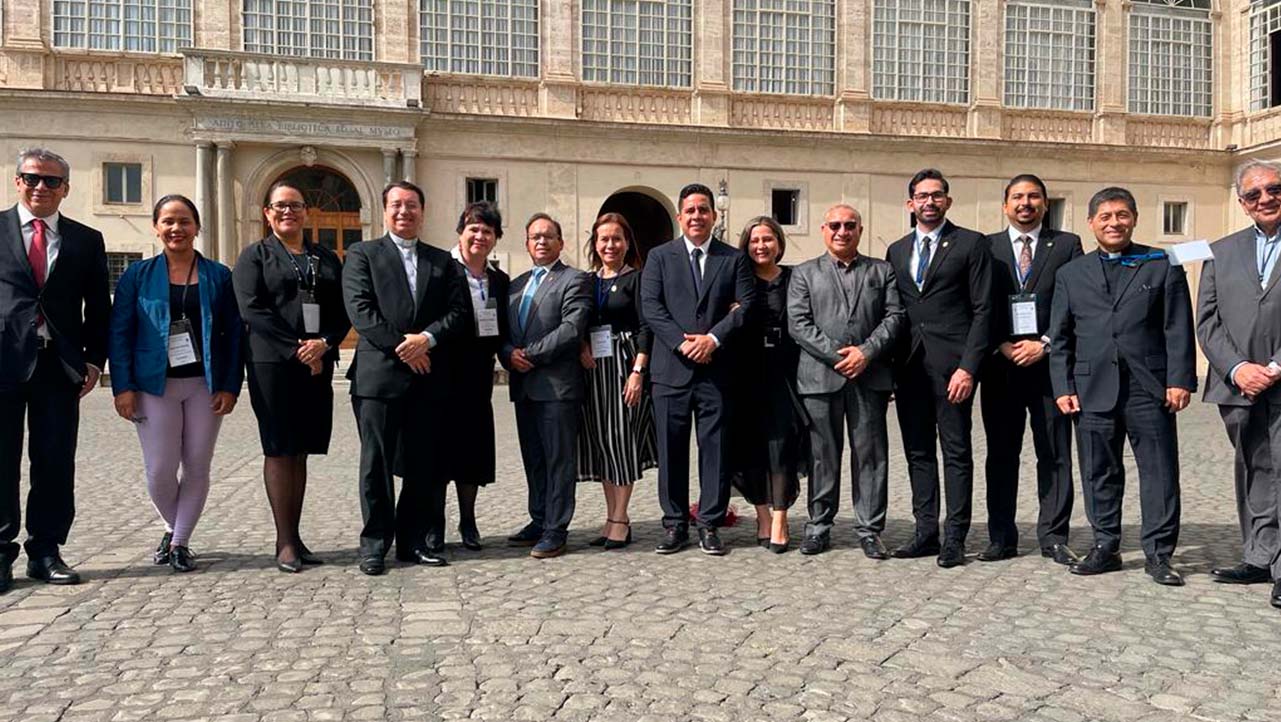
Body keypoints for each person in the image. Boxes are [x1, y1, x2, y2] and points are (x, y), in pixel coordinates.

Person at [1049, 186, 1195, 586]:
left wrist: (1179, 379)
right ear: (1092, 223)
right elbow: (1060, 336)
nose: (1115, 223)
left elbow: (1178, 327)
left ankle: (1159, 554)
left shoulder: (1161, 264)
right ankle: (1105, 544)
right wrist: (1062, 385)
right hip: (1092, 388)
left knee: (1160, 472)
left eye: (1122, 215)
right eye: (1106, 217)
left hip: (1149, 388)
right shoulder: (1070, 273)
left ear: (1134, 218)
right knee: (1099, 471)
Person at [109, 195, 243, 573]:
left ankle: (180, 542)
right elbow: (120, 332)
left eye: (184, 221)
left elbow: (234, 334)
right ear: (156, 227)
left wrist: (231, 385)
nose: (176, 229)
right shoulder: (136, 275)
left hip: (204, 383)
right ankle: (173, 527)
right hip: (154, 385)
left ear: (197, 227)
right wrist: (123, 386)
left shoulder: (219, 275)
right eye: (168, 221)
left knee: (197, 465)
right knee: (160, 470)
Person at [342, 181, 469, 575]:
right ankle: (375, 543)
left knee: (423, 465)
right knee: (375, 464)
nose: (404, 212)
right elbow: (360, 310)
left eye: (412, 205)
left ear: (423, 211)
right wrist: (405, 348)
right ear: (384, 211)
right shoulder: (362, 254)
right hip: (378, 377)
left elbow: (458, 311)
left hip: (428, 377)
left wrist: (427, 340)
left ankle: (414, 541)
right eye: (396, 205)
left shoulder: (442, 261)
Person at [0, 148, 110, 591]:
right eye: (32, 178)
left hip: (58, 366)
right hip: (3, 362)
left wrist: (93, 360)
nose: (40, 187)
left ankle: (45, 551)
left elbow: (99, 309)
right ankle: (0, 554)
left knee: (55, 462)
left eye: (51, 181)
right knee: (1, 462)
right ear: (17, 181)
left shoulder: (86, 240)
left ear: (66, 188)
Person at [233, 181, 350, 573]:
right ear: (267, 212)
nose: (288, 212)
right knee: (280, 449)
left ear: (306, 212)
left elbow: (342, 310)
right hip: (274, 365)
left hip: (317, 363)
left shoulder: (325, 257)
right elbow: (252, 311)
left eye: (296, 205)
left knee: (301, 450)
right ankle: (284, 541)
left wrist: (326, 344)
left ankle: (296, 536)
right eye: (280, 206)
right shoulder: (254, 257)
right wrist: (299, 349)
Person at [640, 183, 756, 556]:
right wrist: (683, 342)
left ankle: (709, 522)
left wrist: (713, 339)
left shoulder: (732, 258)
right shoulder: (659, 256)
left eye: (703, 209)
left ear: (713, 215)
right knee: (671, 452)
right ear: (679, 216)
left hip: (717, 370)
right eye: (690, 210)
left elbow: (747, 304)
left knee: (715, 450)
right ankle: (674, 524)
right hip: (670, 371)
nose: (696, 216)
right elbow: (652, 307)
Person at [886, 169, 993, 567]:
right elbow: (893, 312)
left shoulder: (970, 244)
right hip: (910, 367)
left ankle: (955, 537)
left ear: (948, 201)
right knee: (917, 452)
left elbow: (984, 311)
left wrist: (969, 368)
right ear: (910, 203)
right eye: (921, 196)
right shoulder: (897, 250)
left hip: (953, 368)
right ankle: (925, 531)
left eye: (936, 195)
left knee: (956, 450)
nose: (929, 202)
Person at [978, 175, 1084, 565]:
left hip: (1049, 368)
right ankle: (1001, 537)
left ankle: (1054, 536)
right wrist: (1000, 344)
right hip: (1001, 367)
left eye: (1034, 197)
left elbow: (1074, 302)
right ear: (1005, 204)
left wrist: (1045, 343)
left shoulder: (1068, 245)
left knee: (1054, 454)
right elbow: (978, 304)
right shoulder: (986, 247)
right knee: (1001, 455)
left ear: (1044, 204)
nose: (1026, 203)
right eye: (1018, 197)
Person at [789, 205, 904, 558]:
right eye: (835, 225)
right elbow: (798, 323)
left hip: (868, 377)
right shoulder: (804, 273)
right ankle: (819, 526)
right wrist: (840, 356)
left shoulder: (881, 270)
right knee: (822, 455)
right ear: (824, 230)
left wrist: (866, 353)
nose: (842, 231)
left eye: (849, 225)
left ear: (860, 229)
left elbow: (894, 315)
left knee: (870, 454)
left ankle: (869, 529)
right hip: (820, 378)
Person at [1197, 160, 1281, 608]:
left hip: (1278, 379)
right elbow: (1207, 321)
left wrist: (1274, 367)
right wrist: (1236, 369)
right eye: (1254, 194)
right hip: (1238, 386)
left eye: (1273, 189)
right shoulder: (1221, 250)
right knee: (1253, 467)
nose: (1265, 198)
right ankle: (1260, 555)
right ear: (1242, 203)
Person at [501, 214, 591, 559]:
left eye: (548, 236)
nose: (541, 241)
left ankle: (556, 529)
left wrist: (530, 355)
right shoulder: (515, 285)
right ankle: (538, 519)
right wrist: (509, 353)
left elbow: (572, 328)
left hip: (557, 388)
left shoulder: (574, 279)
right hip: (524, 386)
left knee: (558, 461)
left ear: (560, 243)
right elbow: (503, 332)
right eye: (535, 236)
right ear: (526, 243)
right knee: (534, 460)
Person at [576, 213, 657, 550]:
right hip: (593, 370)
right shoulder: (587, 281)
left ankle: (621, 519)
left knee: (621, 442)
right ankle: (611, 518)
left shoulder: (637, 279)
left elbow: (645, 327)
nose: (610, 245)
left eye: (617, 239)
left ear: (627, 243)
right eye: (604, 239)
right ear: (595, 244)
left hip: (624, 368)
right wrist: (580, 346)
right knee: (602, 444)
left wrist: (638, 372)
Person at [727, 216, 807, 553]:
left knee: (781, 447)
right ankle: (762, 514)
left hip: (785, 372)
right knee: (750, 448)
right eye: (755, 240)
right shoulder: (738, 281)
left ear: (778, 243)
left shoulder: (794, 278)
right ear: (746, 245)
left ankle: (780, 517)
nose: (761, 246)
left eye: (768, 239)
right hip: (745, 373)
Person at [435, 201, 510, 551]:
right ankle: (434, 523)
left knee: (471, 452)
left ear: (496, 238)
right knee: (438, 452)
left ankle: (468, 519)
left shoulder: (498, 280)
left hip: (478, 377)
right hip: (439, 374)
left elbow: (503, 329)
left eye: (487, 231)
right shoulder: (439, 269)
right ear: (461, 232)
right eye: (474, 229)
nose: (480, 236)